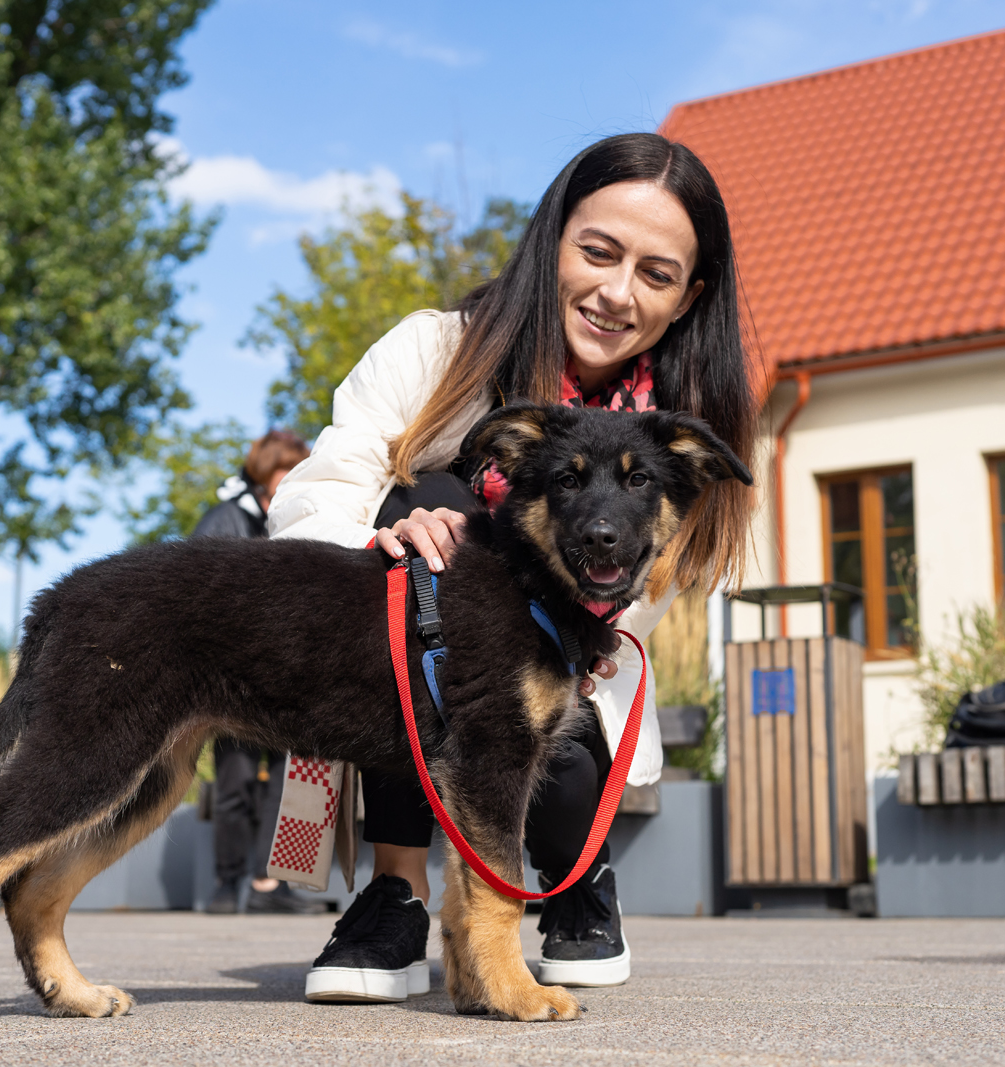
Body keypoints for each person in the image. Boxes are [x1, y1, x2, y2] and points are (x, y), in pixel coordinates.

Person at [268, 132, 756, 1001]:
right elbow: (327, 484)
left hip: (570, 681)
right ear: (553, 239)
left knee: (538, 669)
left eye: (655, 272)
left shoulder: (686, 423)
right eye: (597, 252)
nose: (616, 291)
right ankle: (398, 890)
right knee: (423, 503)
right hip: (419, 665)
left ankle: (575, 881)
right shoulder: (437, 349)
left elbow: (663, 580)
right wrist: (382, 543)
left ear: (690, 297)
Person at [192, 430, 325, 915]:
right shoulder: (227, 519)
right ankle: (227, 886)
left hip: (294, 678)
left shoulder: (306, 520)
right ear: (264, 477)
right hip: (235, 680)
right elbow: (199, 594)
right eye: (282, 478)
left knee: (293, 784)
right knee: (236, 784)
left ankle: (276, 885)